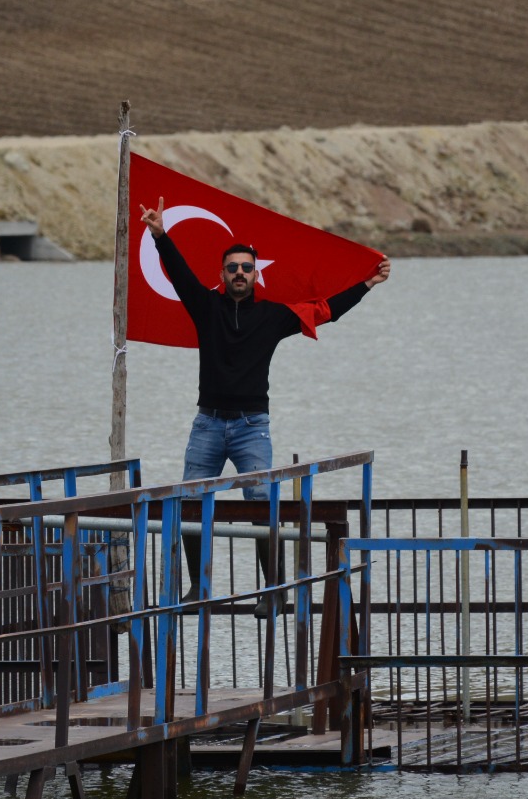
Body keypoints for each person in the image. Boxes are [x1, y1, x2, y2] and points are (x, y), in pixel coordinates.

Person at [139, 196, 391, 603]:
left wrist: (366, 284)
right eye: (233, 268)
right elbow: (180, 274)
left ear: (256, 275)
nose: (239, 273)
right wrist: (160, 234)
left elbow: (327, 310)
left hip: (251, 427)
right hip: (207, 423)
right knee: (187, 503)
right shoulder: (206, 307)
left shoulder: (273, 316)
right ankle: (196, 588)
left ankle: (272, 591)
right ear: (221, 274)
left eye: (246, 268)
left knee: (261, 505)